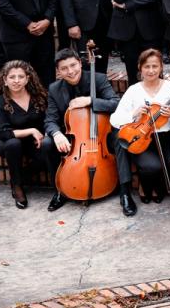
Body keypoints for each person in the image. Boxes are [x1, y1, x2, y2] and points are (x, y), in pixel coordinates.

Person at [43, 48, 121, 213]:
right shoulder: (54, 88)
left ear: (80, 63)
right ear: (58, 71)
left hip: (99, 135)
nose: (70, 71)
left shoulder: (98, 79)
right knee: (48, 143)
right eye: (64, 68)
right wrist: (57, 134)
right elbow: (50, 119)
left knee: (119, 137)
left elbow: (115, 103)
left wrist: (90, 100)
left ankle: (121, 186)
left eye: (73, 65)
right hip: (73, 137)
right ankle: (60, 190)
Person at [109, 49, 170, 212]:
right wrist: (134, 114)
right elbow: (115, 118)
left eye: (155, 66)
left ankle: (153, 185)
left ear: (161, 68)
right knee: (152, 167)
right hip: (142, 139)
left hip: (166, 137)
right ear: (140, 68)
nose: (151, 70)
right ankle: (145, 185)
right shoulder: (134, 90)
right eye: (147, 66)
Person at [0, 61, 50, 209]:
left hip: (32, 142)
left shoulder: (39, 97)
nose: (16, 80)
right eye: (12, 77)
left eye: (20, 76)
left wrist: (45, 135)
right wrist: (31, 130)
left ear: (27, 78)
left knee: (48, 152)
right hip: (7, 142)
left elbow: (49, 120)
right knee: (13, 144)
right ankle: (17, 187)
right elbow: (4, 133)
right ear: (5, 80)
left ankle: (21, 176)